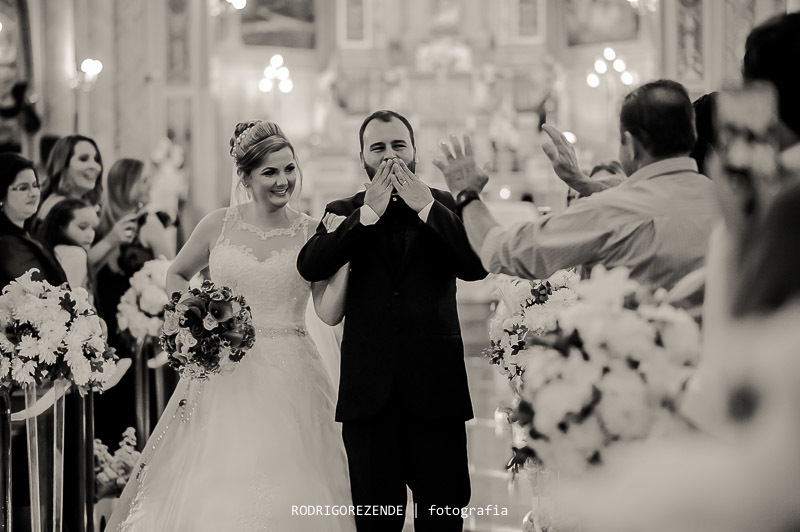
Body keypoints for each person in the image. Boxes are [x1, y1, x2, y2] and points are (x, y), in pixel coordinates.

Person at [107, 120, 354, 531]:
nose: (283, 181)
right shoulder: (217, 224)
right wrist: (191, 317)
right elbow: (177, 274)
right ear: (245, 176)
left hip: (294, 372)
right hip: (224, 371)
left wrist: (346, 265)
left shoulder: (312, 231)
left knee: (296, 476)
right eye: (270, 172)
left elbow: (327, 313)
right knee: (214, 477)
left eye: (289, 169)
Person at [297, 110, 487, 531]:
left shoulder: (445, 204)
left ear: (414, 150)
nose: (389, 156)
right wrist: (366, 216)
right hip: (369, 398)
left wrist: (426, 209)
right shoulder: (342, 210)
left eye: (398, 145)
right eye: (378, 147)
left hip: (437, 394)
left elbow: (477, 266)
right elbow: (310, 265)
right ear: (361, 156)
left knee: (442, 518)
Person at [436, 80, 716, 292]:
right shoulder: (738, 204)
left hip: (635, 364)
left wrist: (466, 194)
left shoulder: (608, 212)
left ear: (629, 145)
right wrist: (583, 182)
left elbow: (504, 251)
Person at [92, 157, 175, 445]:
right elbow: (85, 268)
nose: (149, 186)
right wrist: (111, 240)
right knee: (111, 396)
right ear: (124, 185)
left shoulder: (148, 222)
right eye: (143, 180)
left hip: (141, 327)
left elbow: (170, 267)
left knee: (139, 394)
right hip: (108, 325)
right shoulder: (99, 223)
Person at [35, 134, 139, 270]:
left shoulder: (86, 203)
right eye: (84, 159)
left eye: (96, 160)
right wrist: (110, 240)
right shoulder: (54, 206)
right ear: (63, 165)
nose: (94, 166)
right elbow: (64, 266)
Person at [36, 198, 98, 301]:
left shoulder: (51, 251)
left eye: (93, 228)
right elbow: (66, 303)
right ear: (61, 227)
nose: (90, 234)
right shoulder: (76, 254)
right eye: (82, 227)